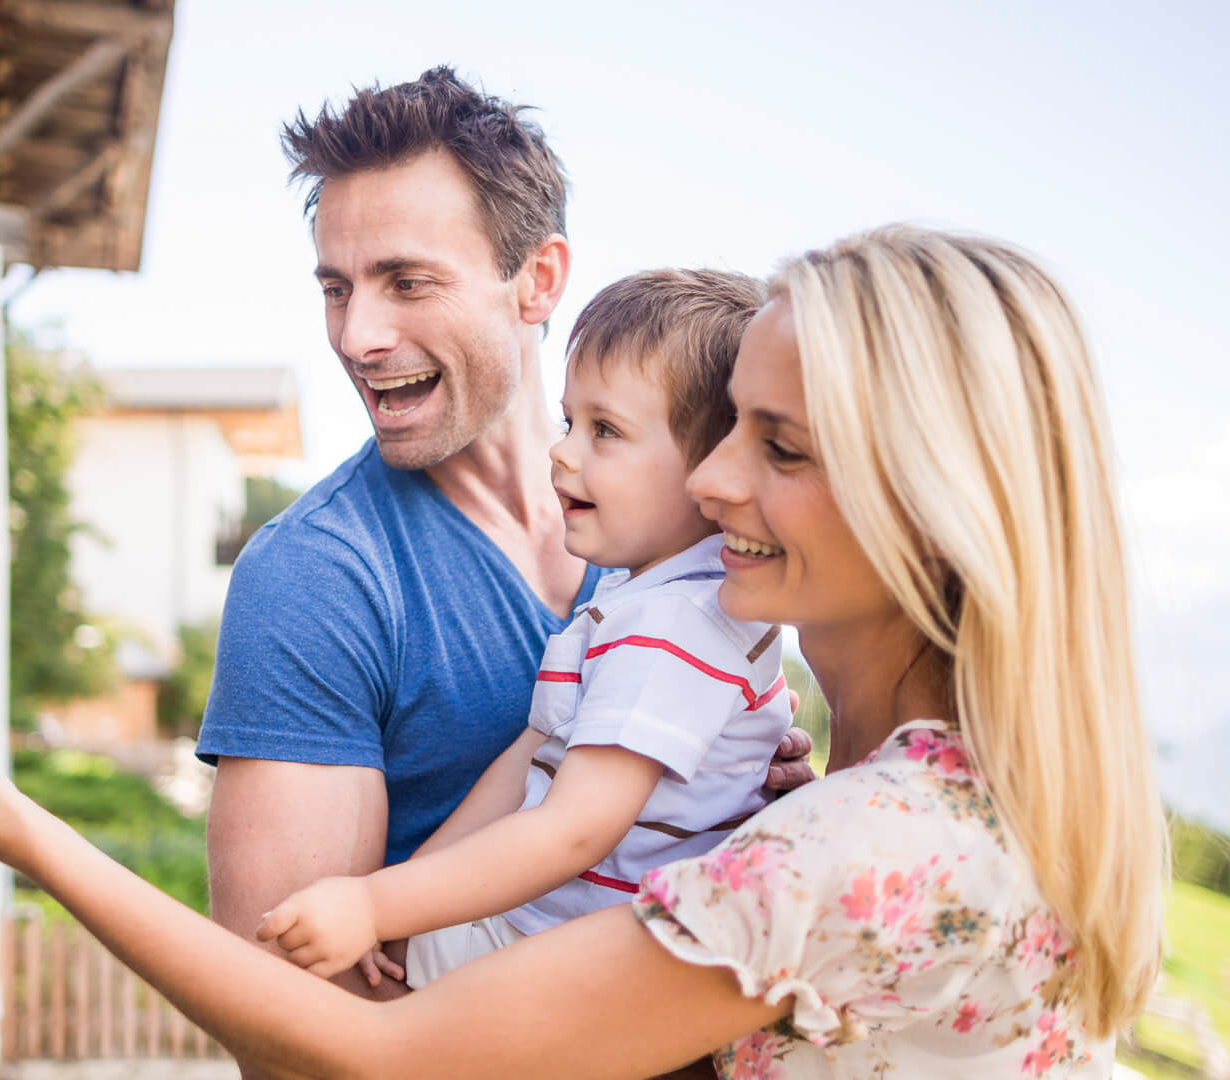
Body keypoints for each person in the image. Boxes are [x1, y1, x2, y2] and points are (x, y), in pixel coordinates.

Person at [0, 225, 1168, 1077]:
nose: (717, 483)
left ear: (935, 505)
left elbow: (374, 1062)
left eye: (781, 447)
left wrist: (17, 830)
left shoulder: (859, 843)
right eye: (729, 425)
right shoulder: (916, 786)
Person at [194, 67, 811, 1001]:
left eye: (407, 281)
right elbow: (289, 1019)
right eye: (335, 288)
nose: (357, 335)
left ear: (537, 280)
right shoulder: (315, 578)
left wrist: (748, 809)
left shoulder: (691, 552)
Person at [256, 269, 792, 990]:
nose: (563, 453)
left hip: (584, 970)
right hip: (550, 941)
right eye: (572, 422)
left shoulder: (674, 628)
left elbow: (575, 828)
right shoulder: (642, 604)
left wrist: (373, 903)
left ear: (714, 468)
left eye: (606, 431)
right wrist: (406, 899)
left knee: (297, 999)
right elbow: (530, 757)